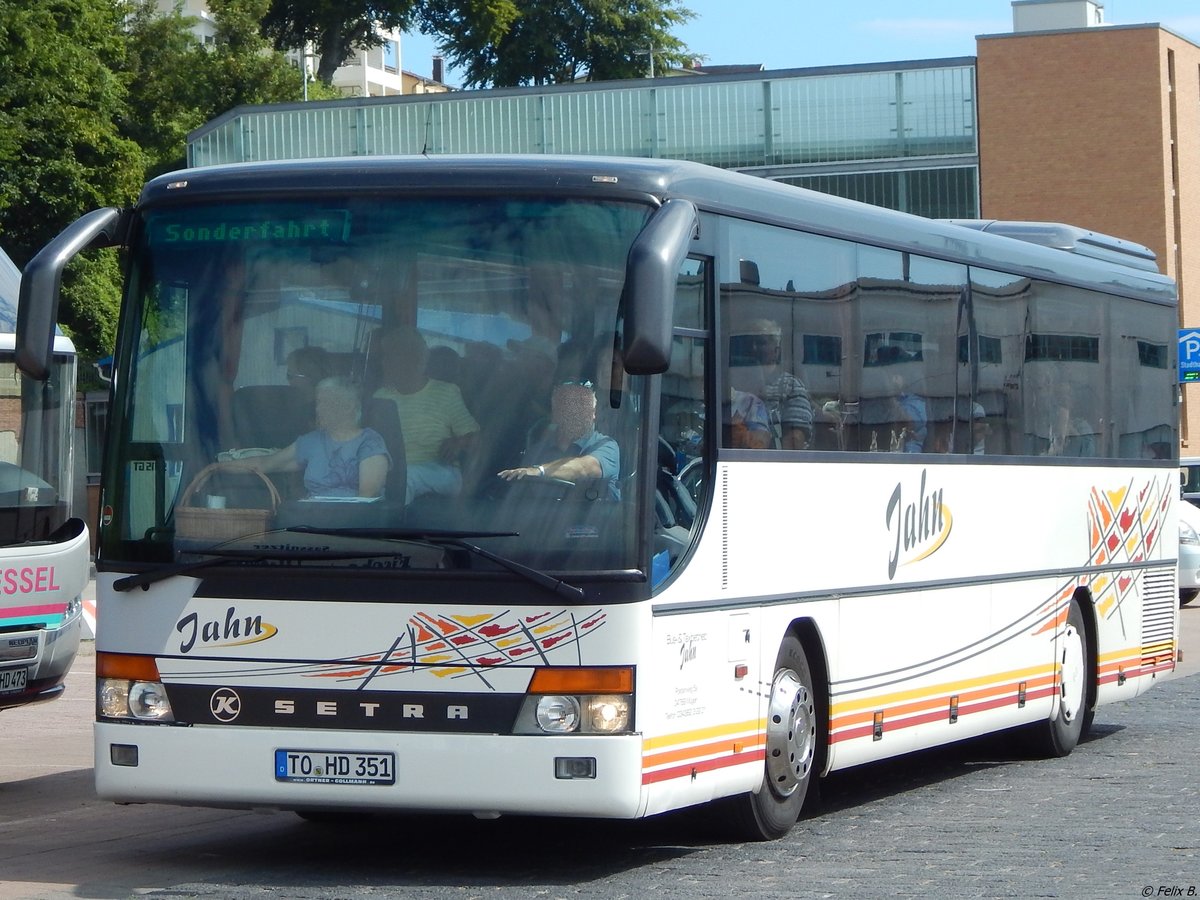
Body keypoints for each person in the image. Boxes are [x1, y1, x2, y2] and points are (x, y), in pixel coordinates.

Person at [220, 377, 390, 498]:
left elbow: (367, 496)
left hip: (352, 529)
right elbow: (265, 463)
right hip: (312, 522)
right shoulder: (311, 441)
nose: (317, 409)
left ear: (347, 407)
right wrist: (217, 467)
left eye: (324, 402)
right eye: (318, 402)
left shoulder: (370, 442)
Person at [372, 326, 480, 503]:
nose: (383, 362)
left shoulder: (446, 392)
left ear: (410, 359)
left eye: (388, 356)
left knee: (406, 478)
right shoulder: (380, 396)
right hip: (390, 471)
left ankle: (393, 527)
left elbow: (476, 438)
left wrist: (458, 442)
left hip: (442, 472)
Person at [497, 382, 620, 500]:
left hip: (595, 521)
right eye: (566, 405)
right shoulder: (535, 453)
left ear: (594, 413)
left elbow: (584, 468)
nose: (574, 411)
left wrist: (539, 471)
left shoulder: (607, 446)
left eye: (582, 405)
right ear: (555, 413)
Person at [730, 319, 814, 449]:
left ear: (776, 350)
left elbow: (795, 440)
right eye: (750, 343)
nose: (754, 348)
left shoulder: (791, 386)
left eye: (761, 343)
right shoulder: (736, 385)